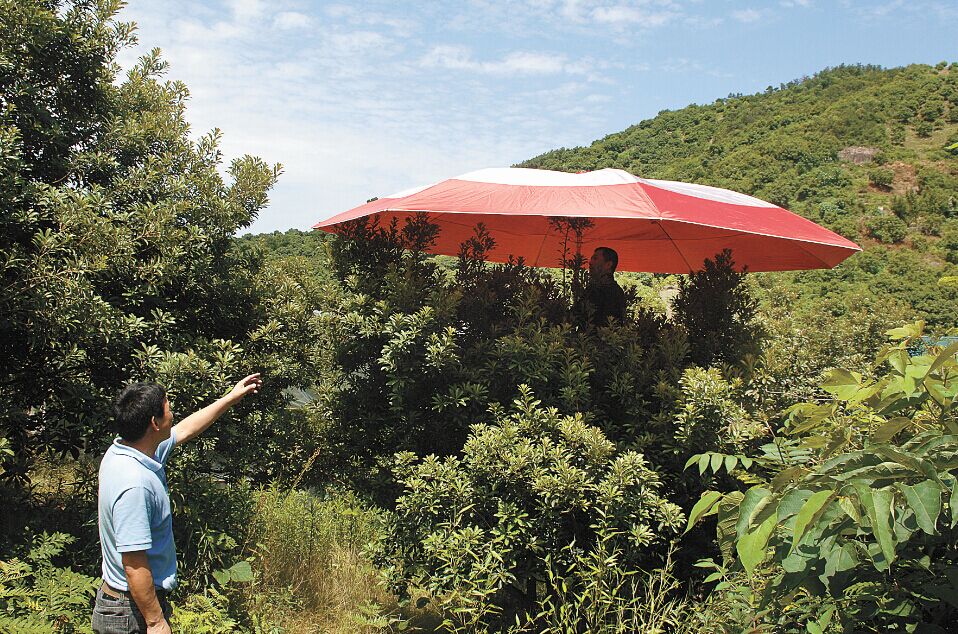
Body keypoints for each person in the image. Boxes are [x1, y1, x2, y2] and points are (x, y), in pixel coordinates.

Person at [92, 373, 262, 634]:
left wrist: (231, 397)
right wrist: (155, 621)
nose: (172, 414)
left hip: (129, 605)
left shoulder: (129, 451)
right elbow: (134, 563)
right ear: (155, 423)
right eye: (168, 408)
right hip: (130, 613)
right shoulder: (134, 483)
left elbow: (185, 429)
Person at [585, 246, 627, 325]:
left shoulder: (614, 293)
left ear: (608, 265)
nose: (590, 262)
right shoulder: (591, 288)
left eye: (595, 258)